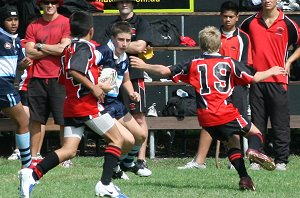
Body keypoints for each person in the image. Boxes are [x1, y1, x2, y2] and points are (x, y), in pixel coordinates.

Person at [130, 26, 286, 191]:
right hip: (225, 112)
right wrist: (272, 70)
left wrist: (144, 65)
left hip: (205, 118)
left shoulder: (193, 64)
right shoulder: (228, 62)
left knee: (232, 143)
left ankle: (245, 179)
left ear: (200, 45)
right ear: (219, 45)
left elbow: (164, 70)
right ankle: (254, 151)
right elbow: (253, 78)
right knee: (255, 133)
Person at [18, 11, 131, 198]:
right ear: (91, 31)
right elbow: (73, 70)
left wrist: (94, 83)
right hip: (85, 105)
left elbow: (64, 77)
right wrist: (94, 87)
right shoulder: (84, 48)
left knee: (69, 150)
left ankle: (32, 174)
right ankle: (105, 184)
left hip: (71, 103)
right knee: (118, 140)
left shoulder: (68, 48)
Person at [178, 1, 253, 170]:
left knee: (235, 121)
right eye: (225, 16)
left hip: (235, 85)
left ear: (237, 17)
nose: (227, 20)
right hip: (213, 87)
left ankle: (235, 161)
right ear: (220, 16)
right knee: (209, 121)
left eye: (231, 17)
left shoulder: (243, 38)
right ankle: (199, 161)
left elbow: (244, 64)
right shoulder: (213, 34)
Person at [240, 0, 300, 171]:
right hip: (256, 79)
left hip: (278, 80)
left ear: (278, 0)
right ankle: (255, 158)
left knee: (280, 122)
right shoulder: (249, 22)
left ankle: (281, 160)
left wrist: (289, 61)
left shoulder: (288, 23)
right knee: (257, 122)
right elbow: (239, 42)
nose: (267, 0)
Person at [104, 0, 152, 176]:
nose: (124, 3)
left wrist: (119, 44)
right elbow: (107, 48)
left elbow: (140, 46)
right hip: (113, 78)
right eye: (121, 1)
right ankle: (118, 161)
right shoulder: (111, 24)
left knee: (139, 118)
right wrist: (127, 45)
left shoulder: (142, 23)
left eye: (128, 1)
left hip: (134, 75)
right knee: (115, 121)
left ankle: (139, 161)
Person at [24, 0, 71, 167]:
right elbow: (29, 51)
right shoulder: (33, 25)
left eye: (53, 2)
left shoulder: (65, 22)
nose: (50, 5)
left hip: (59, 77)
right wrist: (54, 48)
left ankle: (66, 157)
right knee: (36, 119)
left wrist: (40, 46)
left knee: (63, 119)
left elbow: (63, 50)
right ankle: (34, 157)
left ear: (58, 4)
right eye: (46, 2)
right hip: (37, 77)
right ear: (41, 5)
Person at [0, 4, 33, 168]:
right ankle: (27, 164)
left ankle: (26, 162)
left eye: (16, 19)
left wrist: (23, 64)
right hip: (3, 84)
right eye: (9, 20)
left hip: (9, 83)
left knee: (23, 121)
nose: (13, 23)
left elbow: (18, 65)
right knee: (23, 120)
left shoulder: (17, 40)